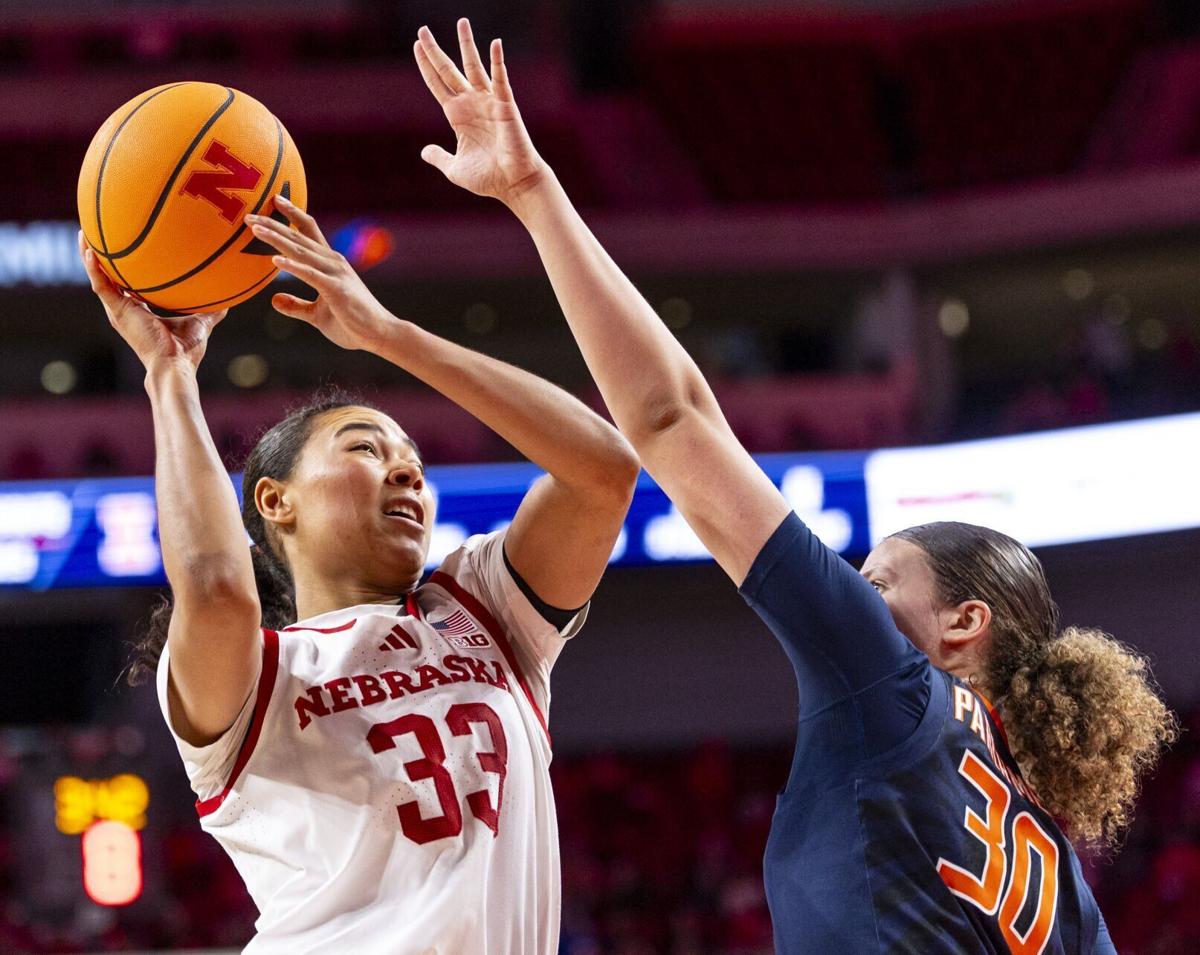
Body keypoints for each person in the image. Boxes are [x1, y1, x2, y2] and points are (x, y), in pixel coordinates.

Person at [414, 19, 1179, 952]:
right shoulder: (1061, 877)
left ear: (963, 623)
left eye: (877, 577)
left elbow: (670, 419)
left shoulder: (893, 686)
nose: (852, 591)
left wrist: (535, 193)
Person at [78, 186, 639, 952]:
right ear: (275, 501)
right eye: (367, 449)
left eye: (413, 462)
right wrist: (169, 375)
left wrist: (388, 334)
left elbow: (603, 470)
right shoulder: (257, 676)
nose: (407, 472)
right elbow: (213, 588)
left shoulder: (482, 610)